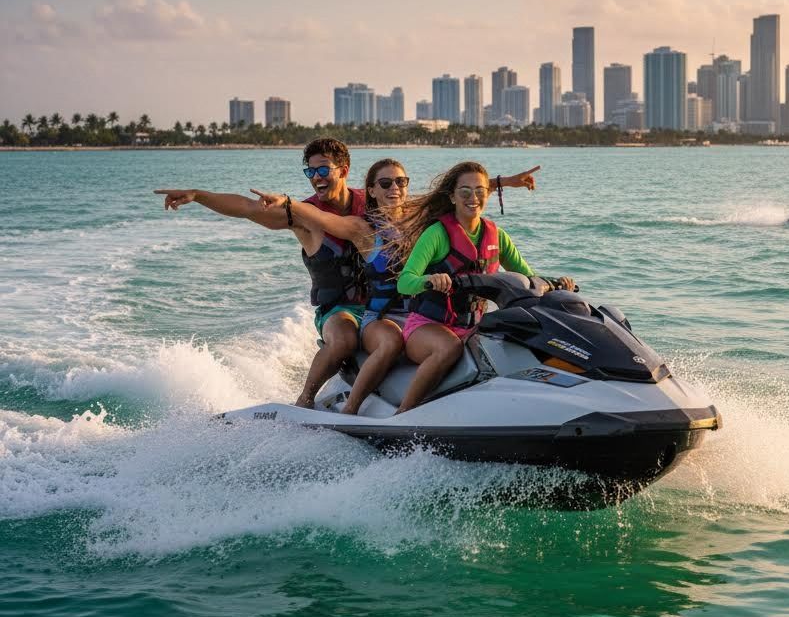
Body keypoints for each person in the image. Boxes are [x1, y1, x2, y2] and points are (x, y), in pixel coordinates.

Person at [153, 139, 540, 408]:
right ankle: (307, 399)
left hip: (392, 304)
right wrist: (200, 195)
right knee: (345, 339)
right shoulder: (314, 216)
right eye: (310, 171)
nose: (316, 177)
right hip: (340, 307)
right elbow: (250, 209)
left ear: (344, 171)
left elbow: (449, 196)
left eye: (323, 169)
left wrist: (504, 183)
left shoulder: (381, 201)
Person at [393, 161, 574, 415]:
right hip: (426, 327)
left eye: (480, 191)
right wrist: (430, 280)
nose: (473, 198)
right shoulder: (437, 234)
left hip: (473, 328)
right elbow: (404, 282)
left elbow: (528, 278)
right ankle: (403, 413)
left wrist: (555, 284)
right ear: (452, 197)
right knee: (449, 347)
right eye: (465, 191)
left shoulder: (496, 236)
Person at [251, 157, 410, 415]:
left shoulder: (418, 219)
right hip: (361, 312)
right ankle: (315, 401)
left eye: (401, 182)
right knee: (350, 341)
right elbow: (320, 217)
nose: (394, 188)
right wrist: (288, 203)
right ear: (372, 190)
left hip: (406, 312)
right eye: (385, 183)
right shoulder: (362, 228)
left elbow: (454, 197)